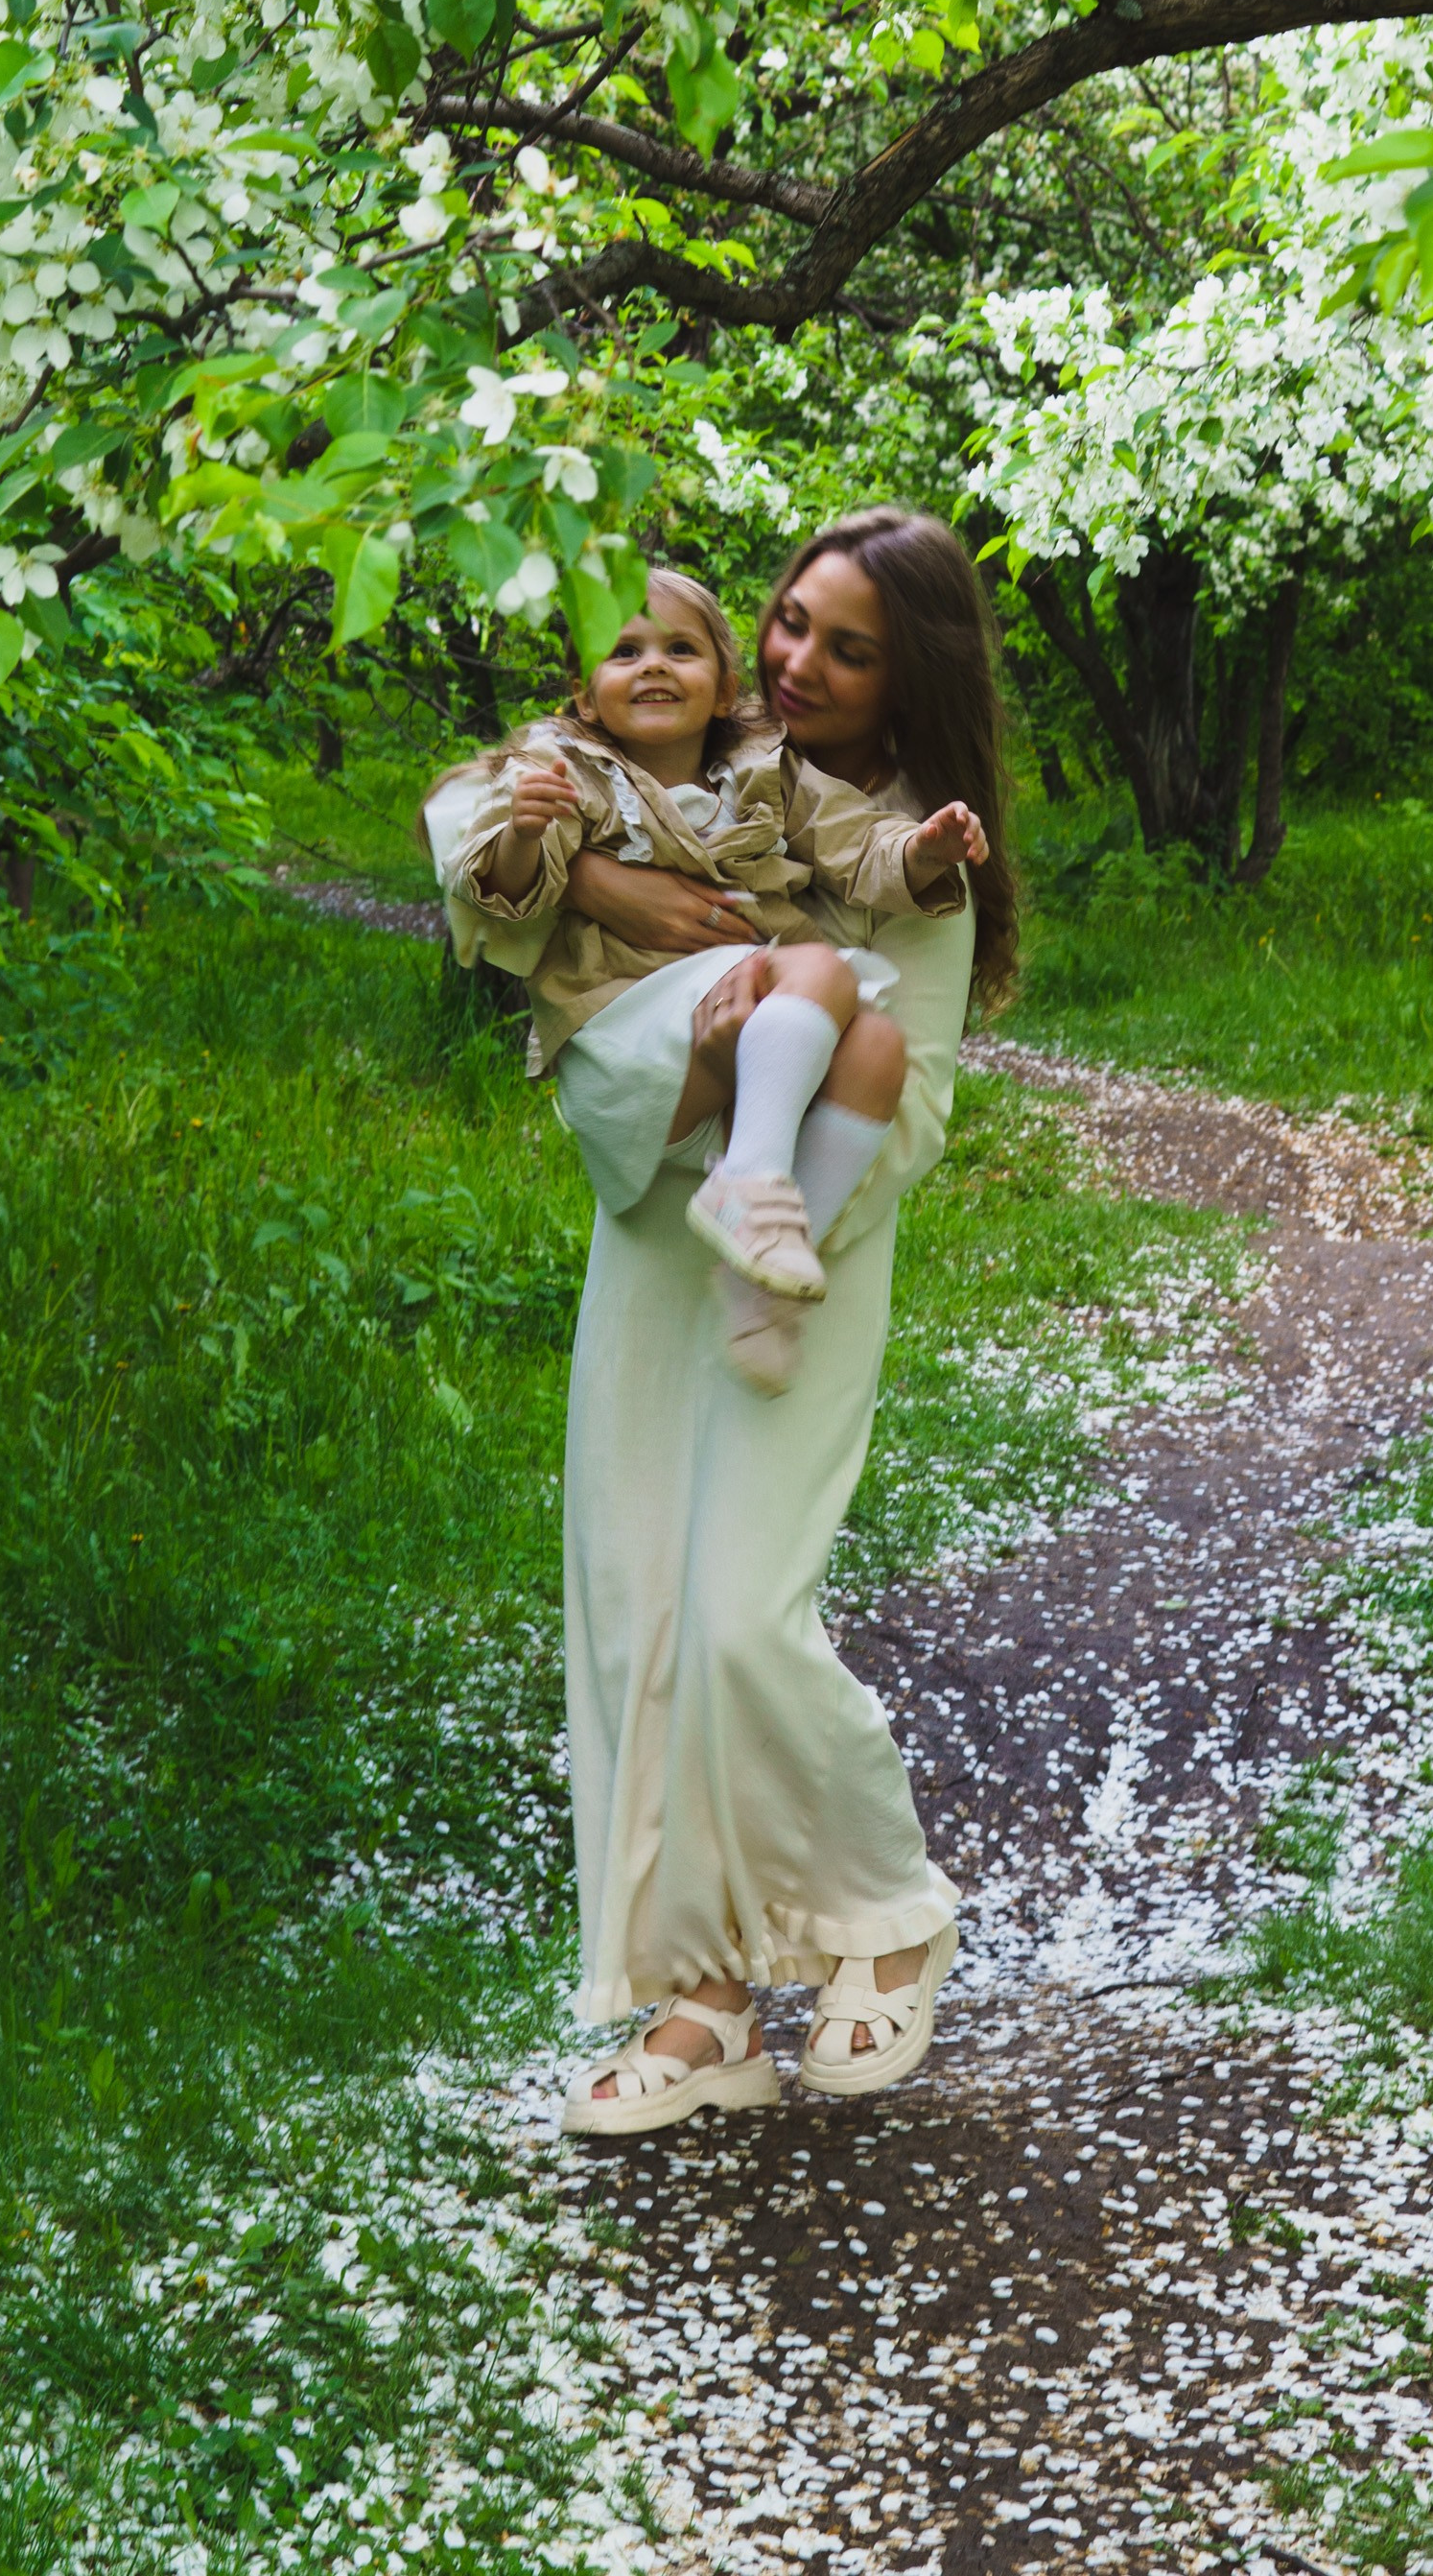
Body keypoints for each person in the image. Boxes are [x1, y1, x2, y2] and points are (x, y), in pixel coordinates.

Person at [428, 509, 1018, 2134]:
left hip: (800, 1253)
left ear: (912, 676)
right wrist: (600, 876)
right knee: (640, 1614)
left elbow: (911, 1106)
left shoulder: (907, 856)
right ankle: (703, 1999)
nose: (797, 662)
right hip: (649, 1244)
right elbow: (478, 839)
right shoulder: (689, 759)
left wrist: (748, 1125)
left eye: (849, 648)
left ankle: (886, 1917)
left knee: (745, 1616)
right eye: (789, 621)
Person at [439, 566, 986, 1356]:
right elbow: (505, 888)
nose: (652, 666)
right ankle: (751, 1180)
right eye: (623, 651)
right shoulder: (564, 770)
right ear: (585, 695)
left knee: (876, 1048)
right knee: (821, 971)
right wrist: (524, 833)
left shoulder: (766, 770)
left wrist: (923, 850)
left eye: (680, 650)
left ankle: (765, 1285)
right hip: (623, 1031)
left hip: (731, 1055)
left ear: (726, 690)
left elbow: (854, 838)